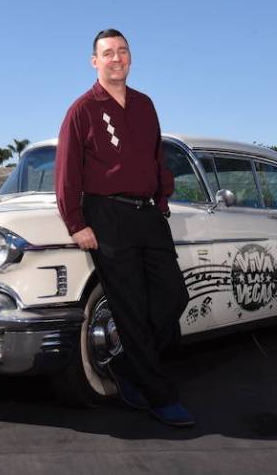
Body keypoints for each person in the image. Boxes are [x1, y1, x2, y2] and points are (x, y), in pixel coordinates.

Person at [54, 28, 194, 428]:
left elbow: (156, 158)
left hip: (148, 215)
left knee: (173, 297)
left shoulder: (146, 105)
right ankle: (160, 396)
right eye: (107, 53)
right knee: (130, 309)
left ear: (130, 58)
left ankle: (127, 367)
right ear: (94, 62)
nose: (116, 58)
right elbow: (66, 173)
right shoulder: (81, 110)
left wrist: (162, 200)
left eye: (123, 51)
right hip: (106, 216)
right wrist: (76, 222)